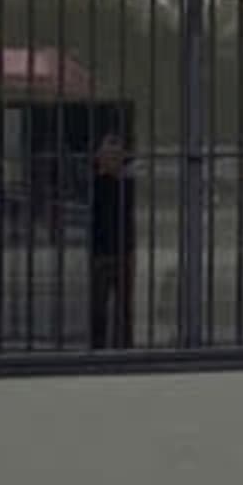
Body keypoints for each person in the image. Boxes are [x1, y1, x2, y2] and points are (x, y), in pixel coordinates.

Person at [85, 129, 137, 350]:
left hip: (123, 253)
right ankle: (98, 346)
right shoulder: (95, 186)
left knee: (124, 308)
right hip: (101, 254)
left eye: (117, 156)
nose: (112, 160)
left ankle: (123, 346)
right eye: (108, 156)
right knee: (98, 307)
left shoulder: (129, 186)